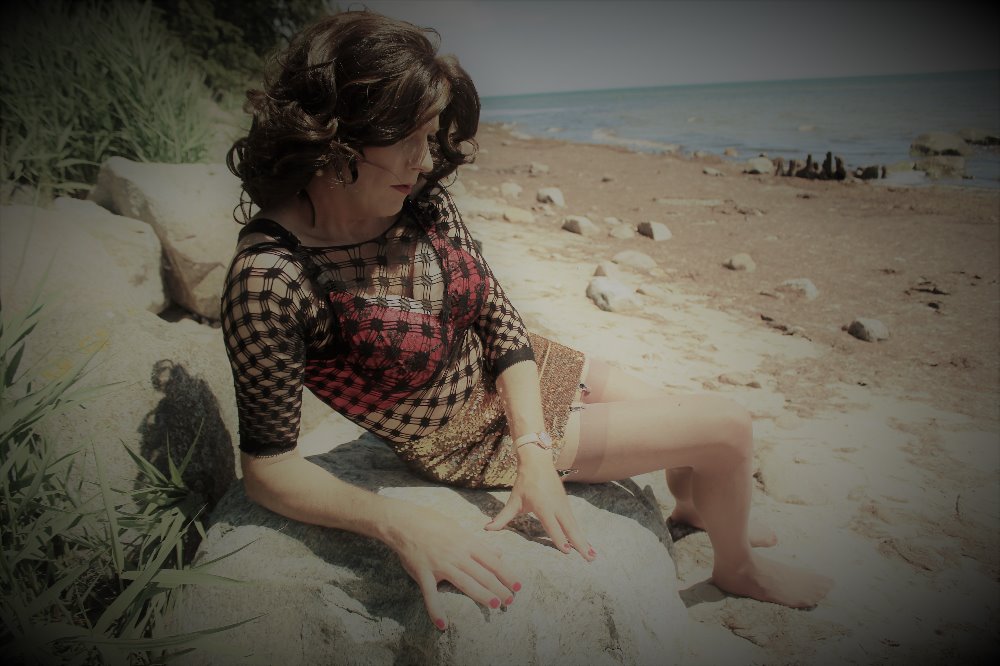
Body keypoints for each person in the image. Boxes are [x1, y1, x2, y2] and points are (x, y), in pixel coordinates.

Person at [221, 9, 831, 632]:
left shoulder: (415, 198)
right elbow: (268, 470)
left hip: (520, 370)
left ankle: (695, 512)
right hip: (461, 439)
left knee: (685, 430)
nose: (425, 160)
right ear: (339, 135)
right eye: (408, 138)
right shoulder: (272, 278)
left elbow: (498, 317)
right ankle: (737, 568)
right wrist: (399, 522)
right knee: (727, 429)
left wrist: (534, 450)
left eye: (430, 136)